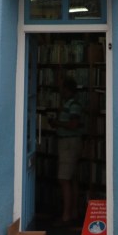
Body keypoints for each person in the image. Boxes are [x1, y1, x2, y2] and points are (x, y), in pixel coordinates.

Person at [49, 77, 83, 226]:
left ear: (67, 89)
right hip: (71, 142)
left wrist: (57, 123)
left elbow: (73, 124)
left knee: (64, 179)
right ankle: (73, 212)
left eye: (62, 88)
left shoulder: (73, 105)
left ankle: (66, 216)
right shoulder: (69, 104)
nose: (60, 91)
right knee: (72, 178)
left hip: (68, 143)